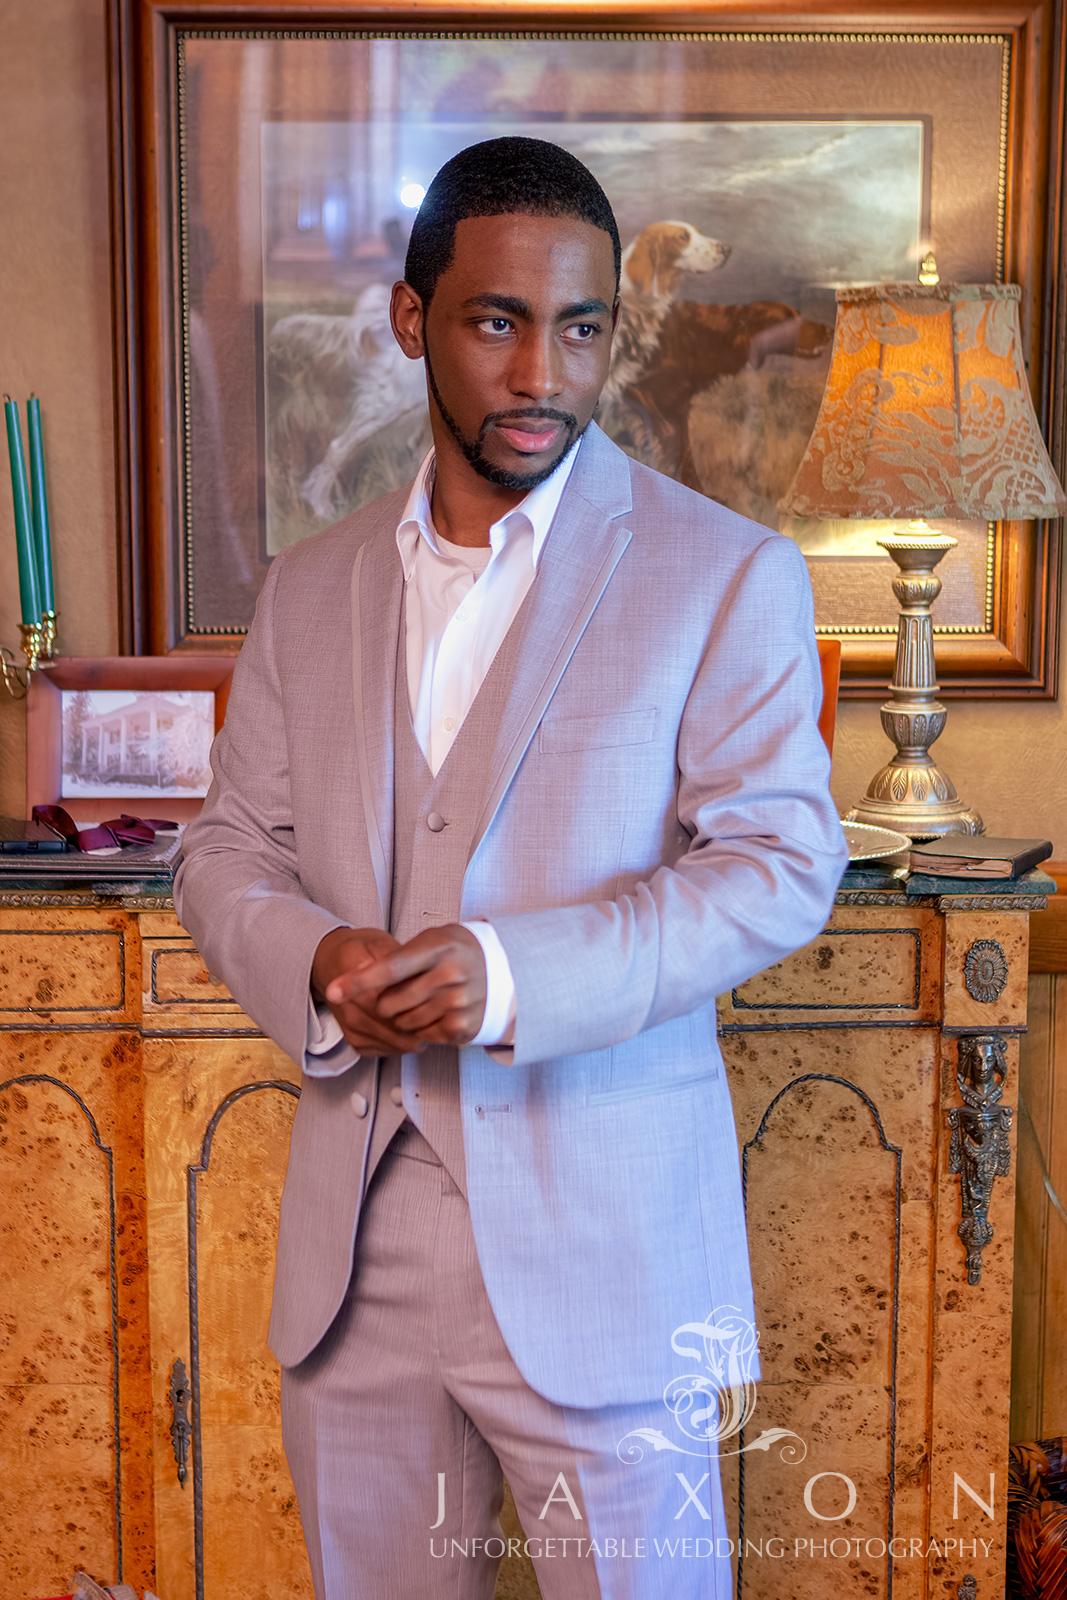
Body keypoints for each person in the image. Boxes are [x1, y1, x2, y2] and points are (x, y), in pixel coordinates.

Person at [175, 135, 848, 1600]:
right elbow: (225, 851)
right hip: (355, 1269)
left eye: (583, 327)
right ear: (413, 320)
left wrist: (508, 975)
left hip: (611, 1261)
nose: (544, 370)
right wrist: (317, 962)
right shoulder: (308, 588)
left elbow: (783, 862)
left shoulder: (725, 573)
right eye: (497, 321)